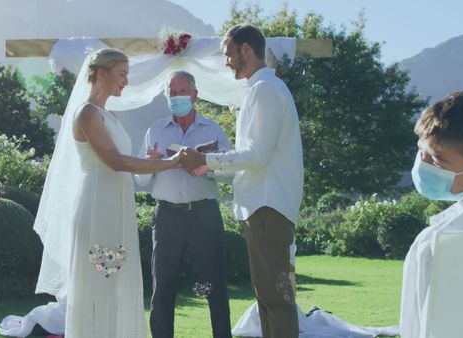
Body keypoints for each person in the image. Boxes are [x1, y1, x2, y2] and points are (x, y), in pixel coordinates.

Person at [33, 48, 182, 338]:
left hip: (116, 206)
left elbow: (123, 160)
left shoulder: (108, 113)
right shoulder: (87, 113)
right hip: (97, 207)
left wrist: (149, 159)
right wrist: (167, 163)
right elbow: (114, 162)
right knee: (100, 282)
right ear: (101, 73)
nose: (126, 81)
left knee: (114, 284)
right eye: (122, 74)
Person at [181, 23, 304, 338]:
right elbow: (254, 158)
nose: (227, 62)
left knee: (276, 296)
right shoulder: (262, 90)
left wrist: (206, 160)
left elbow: (256, 155)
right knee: (268, 294)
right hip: (263, 206)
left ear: (246, 50)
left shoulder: (265, 91)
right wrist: (207, 165)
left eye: (229, 54)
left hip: (267, 207)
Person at [134, 70, 233, 338]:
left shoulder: (213, 129)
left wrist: (206, 164)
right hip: (167, 216)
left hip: (205, 214)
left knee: (213, 286)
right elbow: (140, 182)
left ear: (195, 95)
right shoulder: (155, 130)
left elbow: (231, 174)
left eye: (182, 91)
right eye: (172, 93)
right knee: (163, 287)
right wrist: (148, 163)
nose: (177, 97)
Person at [400, 90, 463, 337]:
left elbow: (416, 326)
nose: (422, 164)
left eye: (437, 161)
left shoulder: (435, 242)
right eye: (421, 151)